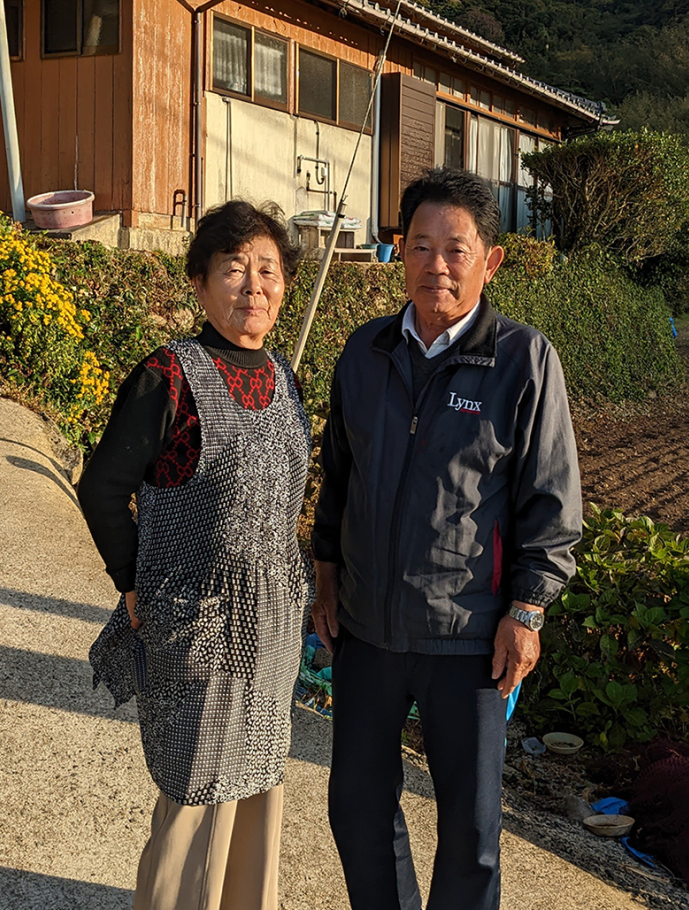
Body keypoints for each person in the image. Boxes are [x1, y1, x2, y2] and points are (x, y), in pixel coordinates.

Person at [311, 167, 582, 910]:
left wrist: (527, 614)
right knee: (356, 809)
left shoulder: (523, 361)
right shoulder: (364, 353)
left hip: (468, 638)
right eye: (421, 245)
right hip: (367, 631)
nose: (437, 264)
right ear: (399, 251)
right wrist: (326, 573)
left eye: (456, 249)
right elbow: (339, 477)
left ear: (489, 261)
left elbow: (552, 508)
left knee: (470, 835)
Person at [78, 200, 311, 910]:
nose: (253, 286)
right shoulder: (170, 376)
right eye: (234, 268)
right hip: (196, 619)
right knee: (195, 789)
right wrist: (131, 583)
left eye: (267, 270)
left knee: (261, 787)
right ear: (201, 282)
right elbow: (102, 488)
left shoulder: (284, 378)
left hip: (272, 623)